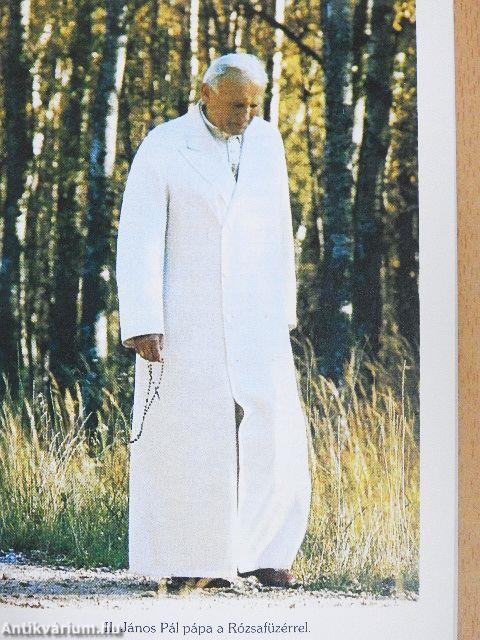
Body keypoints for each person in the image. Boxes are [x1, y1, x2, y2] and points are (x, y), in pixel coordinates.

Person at [115, 53, 311, 590]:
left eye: (253, 105)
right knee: (188, 430)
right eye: (235, 105)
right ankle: (190, 558)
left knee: (275, 425)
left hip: (257, 310)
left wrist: (284, 307)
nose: (246, 115)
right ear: (204, 94)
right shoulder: (163, 145)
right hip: (187, 310)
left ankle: (267, 552)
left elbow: (278, 226)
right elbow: (138, 235)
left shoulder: (267, 143)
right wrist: (143, 320)